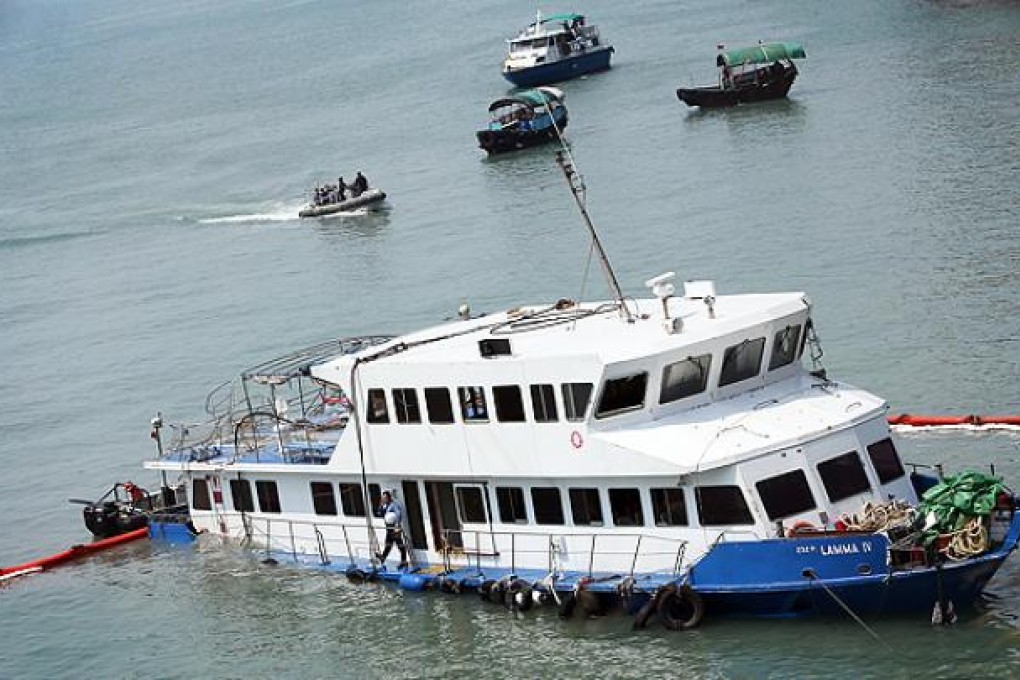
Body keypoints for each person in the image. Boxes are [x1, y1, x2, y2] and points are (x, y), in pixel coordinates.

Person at [375, 490, 407, 569]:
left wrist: (397, 526)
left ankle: (403, 561)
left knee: (400, 545)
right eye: (383, 498)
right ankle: (382, 558)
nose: (384, 499)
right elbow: (379, 513)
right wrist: (381, 504)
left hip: (394, 527)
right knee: (388, 544)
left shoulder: (393, 505)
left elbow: (398, 514)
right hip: (388, 527)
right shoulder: (385, 505)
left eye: (385, 498)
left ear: (389, 497)